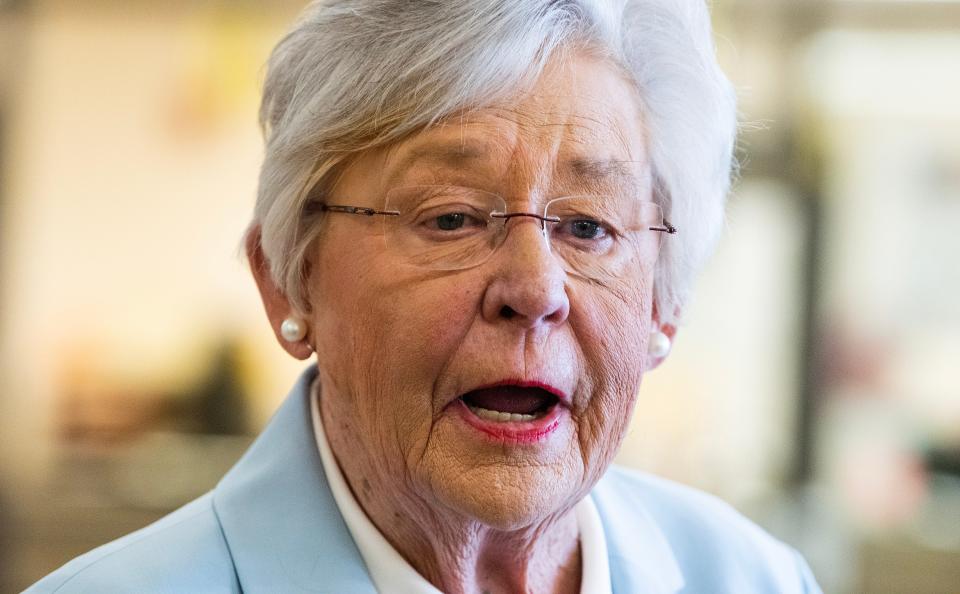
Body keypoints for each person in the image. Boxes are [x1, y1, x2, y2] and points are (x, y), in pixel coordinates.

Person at [28, 0, 823, 592]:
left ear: (663, 306)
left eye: (587, 227)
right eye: (450, 217)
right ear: (286, 279)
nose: (535, 289)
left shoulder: (756, 579)